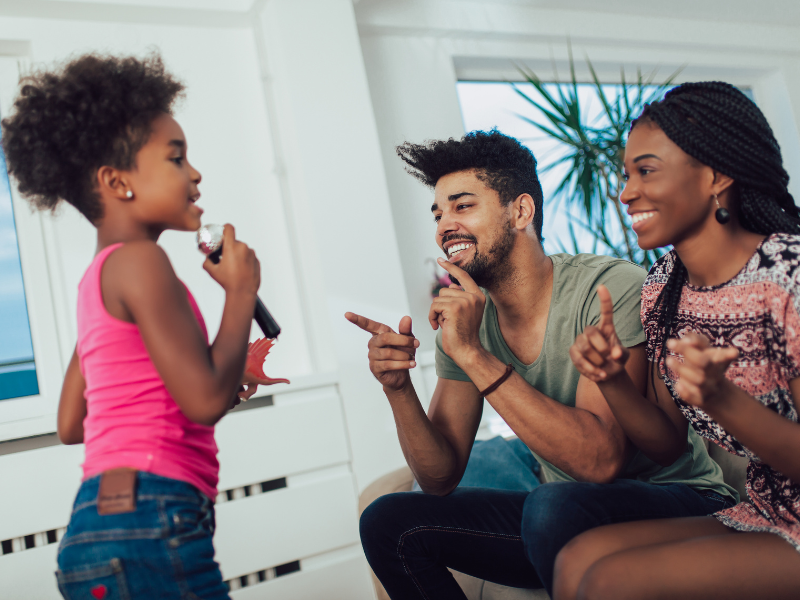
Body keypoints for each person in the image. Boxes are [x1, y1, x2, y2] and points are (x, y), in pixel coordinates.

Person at [349, 130, 736, 599]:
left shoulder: (609, 288)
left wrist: (474, 353)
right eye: (438, 213)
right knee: (389, 521)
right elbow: (438, 476)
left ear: (521, 212)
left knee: (551, 506)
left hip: (682, 505)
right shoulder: (470, 320)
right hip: (563, 520)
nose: (443, 225)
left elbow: (601, 461)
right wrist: (397, 389)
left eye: (463, 206)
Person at [2, 53, 285, 599]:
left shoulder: (98, 279)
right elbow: (201, 400)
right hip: (152, 518)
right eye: (176, 158)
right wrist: (240, 294)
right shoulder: (142, 262)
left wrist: (229, 374)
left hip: (97, 525)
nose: (195, 173)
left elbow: (73, 422)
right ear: (116, 181)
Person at [559, 81, 800, 600]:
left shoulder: (788, 276)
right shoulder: (665, 289)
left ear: (716, 176)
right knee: (576, 558)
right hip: (770, 507)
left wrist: (722, 400)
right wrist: (613, 381)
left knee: (608, 581)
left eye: (646, 171)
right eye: (626, 175)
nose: (625, 192)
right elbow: (668, 443)